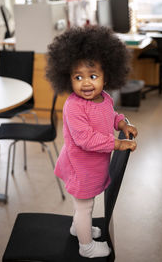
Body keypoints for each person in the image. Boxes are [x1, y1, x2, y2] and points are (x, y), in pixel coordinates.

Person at [46, 26, 138, 258]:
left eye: (93, 76)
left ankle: (79, 228)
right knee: (85, 206)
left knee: (84, 206)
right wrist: (117, 144)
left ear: (107, 75)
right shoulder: (74, 106)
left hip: (93, 167)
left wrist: (122, 124)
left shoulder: (104, 98)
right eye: (78, 77)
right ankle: (86, 246)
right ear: (67, 77)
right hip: (81, 167)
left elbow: (111, 116)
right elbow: (85, 139)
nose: (86, 83)